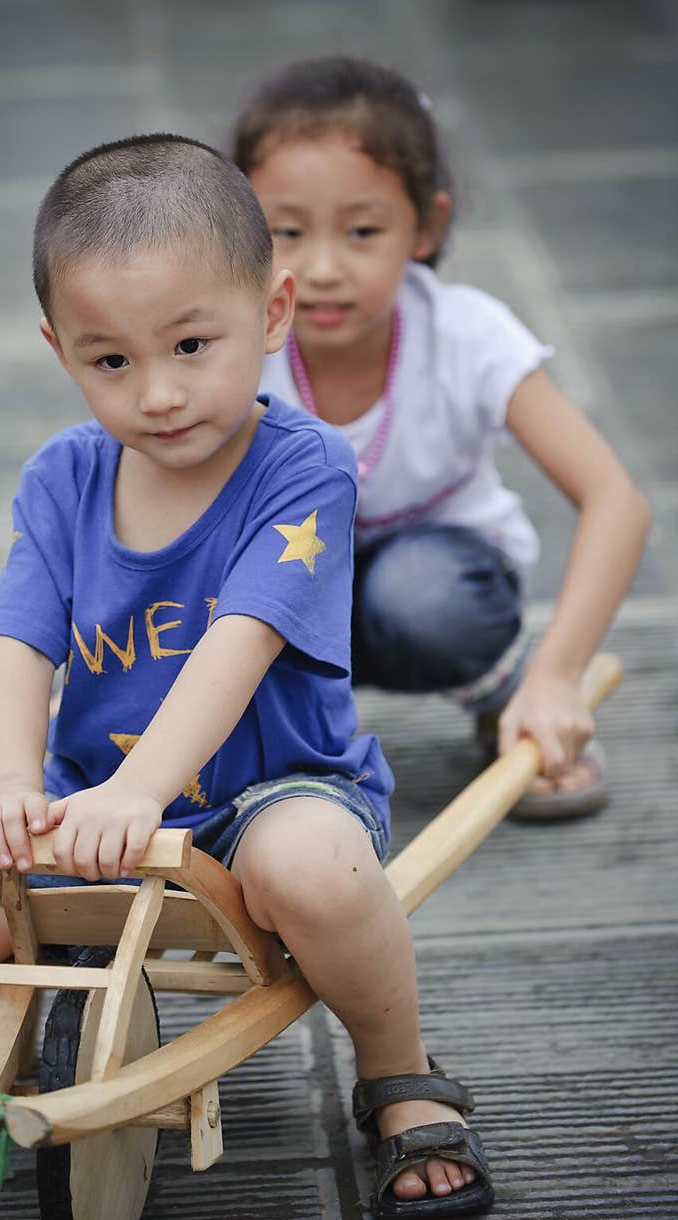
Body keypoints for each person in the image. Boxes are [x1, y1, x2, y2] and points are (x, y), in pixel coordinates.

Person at [0, 134, 494, 1220]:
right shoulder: (63, 476)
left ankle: (398, 1071)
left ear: (270, 317)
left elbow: (242, 639)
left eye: (190, 344)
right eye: (112, 360)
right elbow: (15, 644)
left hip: (264, 797)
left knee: (316, 868)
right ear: (61, 351)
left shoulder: (301, 467)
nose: (160, 392)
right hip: (89, 810)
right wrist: (10, 787)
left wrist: (146, 794)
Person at [233, 57, 651, 818]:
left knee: (422, 596)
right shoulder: (230, 344)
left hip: (430, 587)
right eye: (285, 231)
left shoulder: (465, 334)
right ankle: (260, 739)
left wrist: (558, 676)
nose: (322, 268)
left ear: (425, 225)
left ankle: (508, 696)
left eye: (362, 230)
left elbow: (615, 499)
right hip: (281, 590)